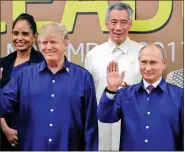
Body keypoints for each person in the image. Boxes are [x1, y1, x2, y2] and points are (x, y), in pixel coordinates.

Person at [0, 22, 98, 151]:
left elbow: (90, 126)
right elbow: (4, 106)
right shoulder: (23, 76)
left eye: (53, 42)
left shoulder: (83, 78)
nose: (48, 47)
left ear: (66, 44)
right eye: (44, 43)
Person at [97, 44, 184, 151]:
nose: (147, 68)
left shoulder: (180, 95)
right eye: (144, 62)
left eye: (153, 62)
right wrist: (111, 89)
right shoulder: (125, 94)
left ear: (164, 63)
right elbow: (105, 117)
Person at [85, 2, 144, 150]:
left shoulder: (143, 52)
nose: (118, 27)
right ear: (106, 24)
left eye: (123, 22)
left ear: (130, 24)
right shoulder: (93, 55)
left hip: (134, 126)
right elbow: (89, 96)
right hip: (101, 127)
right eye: (113, 22)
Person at [0, 13, 44, 151]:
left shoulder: (44, 63)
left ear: (34, 37)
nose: (19, 38)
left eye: (25, 34)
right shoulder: (3, 63)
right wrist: (5, 128)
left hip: (36, 135)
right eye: (15, 33)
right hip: (4, 135)